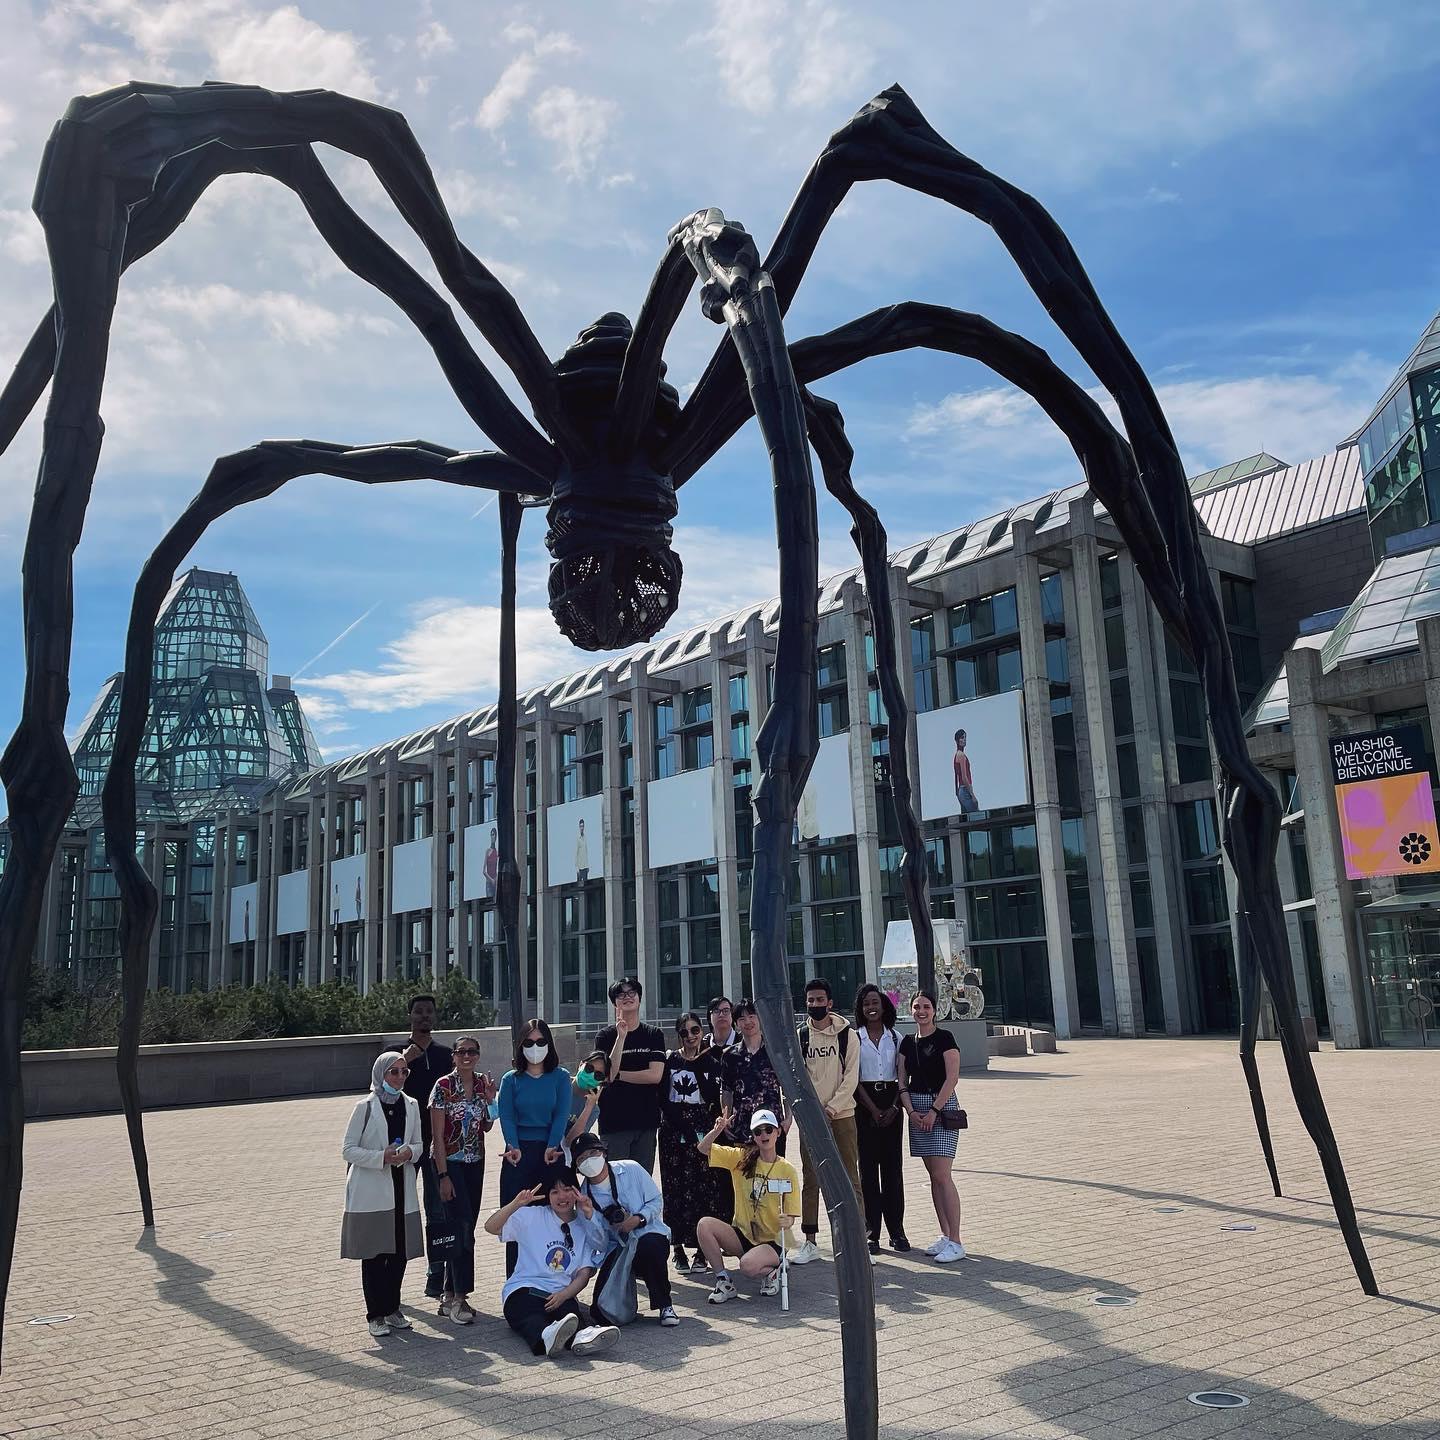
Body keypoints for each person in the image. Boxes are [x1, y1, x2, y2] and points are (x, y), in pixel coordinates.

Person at [484, 1170, 620, 1358]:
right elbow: (491, 1227)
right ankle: (547, 1335)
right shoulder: (533, 1216)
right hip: (525, 1289)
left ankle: (582, 1337)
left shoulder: (585, 1224)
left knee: (570, 1315)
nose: (561, 1196)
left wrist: (564, 1295)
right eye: (555, 1192)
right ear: (548, 1196)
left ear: (576, 1192)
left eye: (566, 1189)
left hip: (561, 1293)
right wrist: (516, 1204)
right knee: (531, 1316)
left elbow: (584, 1273)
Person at [341, 1051, 424, 1337]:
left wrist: (408, 1153)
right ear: (381, 1074)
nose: (400, 1077)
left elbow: (419, 1145)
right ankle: (375, 1313)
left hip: (402, 1186)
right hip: (373, 1190)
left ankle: (392, 1308)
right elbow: (348, 1150)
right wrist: (381, 1157)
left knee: (399, 1252)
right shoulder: (365, 1106)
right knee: (375, 1254)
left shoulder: (411, 1105)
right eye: (394, 1072)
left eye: (404, 1072)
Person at [790, 977, 864, 1266]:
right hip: (812, 1120)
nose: (815, 1005)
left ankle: (856, 1240)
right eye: (810, 1001)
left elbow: (851, 1077)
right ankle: (809, 1241)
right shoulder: (800, 1037)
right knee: (811, 1180)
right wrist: (811, 1111)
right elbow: (798, 1076)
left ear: (830, 1003)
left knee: (849, 1177)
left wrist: (832, 1109)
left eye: (820, 1000)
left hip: (843, 1115)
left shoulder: (848, 1035)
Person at [571, 1132, 678, 1326]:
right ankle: (628, 1307)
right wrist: (589, 1215)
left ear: (603, 1152)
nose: (589, 1160)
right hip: (618, 1248)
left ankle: (665, 1305)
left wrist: (637, 1219)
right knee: (602, 1312)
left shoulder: (631, 1169)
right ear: (578, 1167)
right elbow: (599, 1244)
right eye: (582, 1158)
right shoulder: (584, 1199)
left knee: (650, 1246)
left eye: (593, 1153)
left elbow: (656, 1200)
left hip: (648, 1233)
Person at [695, 1107, 800, 1304]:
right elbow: (703, 1148)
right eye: (758, 1131)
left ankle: (775, 1269)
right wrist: (717, 1130)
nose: (764, 1135)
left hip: (772, 1240)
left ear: (778, 1132)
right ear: (753, 1136)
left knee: (748, 1267)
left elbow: (792, 1213)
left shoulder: (788, 1170)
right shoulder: (742, 1158)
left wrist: (788, 1220)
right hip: (743, 1233)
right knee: (704, 1225)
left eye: (769, 1129)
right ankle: (723, 1281)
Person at [429, 1033, 497, 1324]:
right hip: (451, 1165)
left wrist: (492, 1102)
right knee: (461, 1225)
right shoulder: (443, 1086)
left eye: (472, 1051)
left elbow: (488, 1126)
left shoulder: (483, 1083)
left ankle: (447, 1294)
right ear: (453, 1056)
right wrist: (443, 1175)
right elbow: (437, 1137)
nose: (467, 1057)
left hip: (475, 1163)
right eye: (461, 1052)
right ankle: (460, 1297)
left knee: (464, 1227)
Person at [496, 1019, 572, 1273]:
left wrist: (552, 1145)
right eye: (529, 1042)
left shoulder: (560, 1077)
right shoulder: (511, 1079)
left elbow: (561, 1114)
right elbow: (506, 1115)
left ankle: (553, 1277)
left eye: (541, 1042)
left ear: (549, 1044)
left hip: (550, 1153)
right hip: (518, 1155)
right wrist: (513, 1145)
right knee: (516, 1217)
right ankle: (516, 1280)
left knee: (551, 1217)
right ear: (520, 1046)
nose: (535, 1047)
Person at [899, 989, 966, 1262]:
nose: (921, 1011)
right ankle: (945, 1234)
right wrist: (912, 1111)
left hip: (942, 1106)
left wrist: (934, 1110)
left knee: (942, 1175)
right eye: (916, 1007)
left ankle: (957, 1240)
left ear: (935, 1010)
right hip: (916, 1108)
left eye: (926, 1006)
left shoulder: (944, 1039)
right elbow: (902, 1081)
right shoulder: (907, 1042)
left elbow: (952, 1078)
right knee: (932, 1176)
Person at [658, 1011, 724, 1271]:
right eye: (684, 1032)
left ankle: (701, 1250)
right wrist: (681, 1126)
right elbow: (663, 1098)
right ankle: (677, 1248)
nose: (690, 1037)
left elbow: (714, 1097)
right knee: (674, 1189)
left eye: (695, 1030)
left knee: (702, 1188)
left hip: (701, 1131)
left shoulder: (711, 1061)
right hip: (673, 1131)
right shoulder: (670, 1061)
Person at [399, 993, 453, 1300]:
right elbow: (380, 1086)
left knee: (438, 1210)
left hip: (436, 1144)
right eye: (418, 1011)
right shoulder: (396, 1053)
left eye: (429, 1012)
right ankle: (393, 1272)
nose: (424, 1017)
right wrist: (406, 1059)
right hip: (404, 1143)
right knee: (400, 1208)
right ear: (410, 1016)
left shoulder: (446, 1054)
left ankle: (437, 1273)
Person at [853, 982, 909, 1253]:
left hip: (892, 1104)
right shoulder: (855, 1038)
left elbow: (903, 1078)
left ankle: (896, 1231)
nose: (871, 1008)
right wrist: (873, 1110)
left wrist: (894, 1107)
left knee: (892, 1171)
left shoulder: (897, 1037)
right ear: (861, 1010)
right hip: (864, 1106)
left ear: (884, 1005)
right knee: (867, 1172)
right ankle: (871, 1232)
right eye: (866, 1004)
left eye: (875, 1002)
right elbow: (853, 1078)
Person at [593, 977, 665, 1172]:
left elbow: (655, 1075)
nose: (627, 997)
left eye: (631, 992)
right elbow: (606, 1075)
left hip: (646, 1123)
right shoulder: (605, 1037)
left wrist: (617, 1076)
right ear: (614, 1002)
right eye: (621, 994)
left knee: (641, 1183)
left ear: (639, 998)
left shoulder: (654, 1034)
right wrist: (621, 1037)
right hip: (614, 1124)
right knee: (615, 1183)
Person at [720, 999, 790, 1149]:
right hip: (742, 1127)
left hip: (772, 1125)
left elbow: (787, 1087)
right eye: (742, 1019)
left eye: (752, 1016)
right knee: (744, 1171)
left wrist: (789, 1117)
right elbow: (726, 1091)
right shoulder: (729, 1056)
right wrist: (725, 1119)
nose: (748, 1022)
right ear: (736, 1023)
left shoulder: (775, 1051)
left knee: (774, 1171)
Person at [564, 1049, 609, 1162]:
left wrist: (588, 1107)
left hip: (563, 1157)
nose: (591, 1075)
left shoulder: (593, 1110)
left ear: (602, 1082)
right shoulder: (560, 1084)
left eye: (598, 1075)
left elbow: (570, 1141)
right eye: (589, 1068)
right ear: (581, 1064)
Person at [953, 728, 979, 813]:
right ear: (957, 740)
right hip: (965, 790)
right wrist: (973, 795)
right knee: (977, 816)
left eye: (965, 737)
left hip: (961, 791)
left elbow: (956, 777)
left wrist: (957, 793)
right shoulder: (961, 756)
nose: (964, 740)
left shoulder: (956, 755)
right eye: (962, 737)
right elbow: (964, 777)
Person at [483, 827, 499, 900]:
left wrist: (495, 879)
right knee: (490, 902)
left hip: (496, 882)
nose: (493, 837)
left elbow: (498, 868)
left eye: (494, 835)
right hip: (489, 883)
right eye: (492, 834)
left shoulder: (497, 852)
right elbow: (484, 871)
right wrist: (491, 880)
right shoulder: (488, 851)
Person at [575, 817, 590, 883]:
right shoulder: (577, 838)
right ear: (579, 827)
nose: (582, 828)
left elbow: (586, 852)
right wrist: (577, 868)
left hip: (585, 866)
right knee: (580, 884)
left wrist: (587, 865)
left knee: (586, 883)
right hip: (580, 867)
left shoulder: (585, 837)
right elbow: (576, 853)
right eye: (581, 826)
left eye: (583, 826)